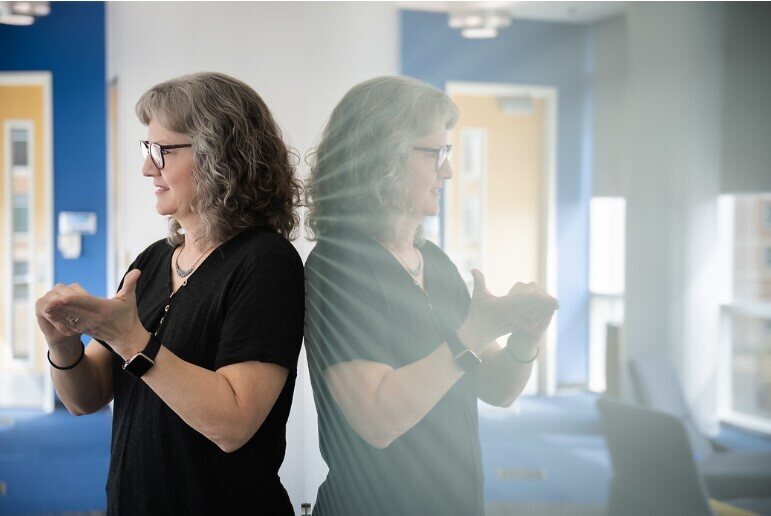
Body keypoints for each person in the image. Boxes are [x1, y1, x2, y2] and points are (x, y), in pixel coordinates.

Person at [35, 72, 304, 515]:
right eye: (147, 149)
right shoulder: (155, 259)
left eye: (162, 151)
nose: (147, 167)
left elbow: (233, 422)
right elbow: (86, 397)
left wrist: (130, 339)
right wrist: (63, 346)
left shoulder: (265, 262)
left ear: (221, 156)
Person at [304, 75, 559, 516]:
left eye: (448, 153)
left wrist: (524, 338)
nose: (448, 170)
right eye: (435, 153)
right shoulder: (338, 267)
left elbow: (497, 388)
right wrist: (473, 333)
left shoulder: (434, 263)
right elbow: (378, 419)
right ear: (382, 158)